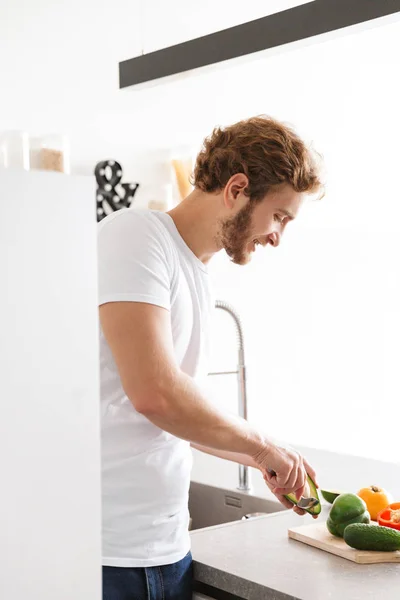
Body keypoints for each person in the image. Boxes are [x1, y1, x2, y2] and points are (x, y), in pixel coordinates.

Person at [98, 116, 324, 600]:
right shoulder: (135, 236)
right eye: (280, 216)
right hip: (106, 553)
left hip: (166, 548)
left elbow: (184, 412)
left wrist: (268, 460)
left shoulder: (198, 273)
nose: (277, 236)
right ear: (238, 188)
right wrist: (260, 445)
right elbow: (155, 393)